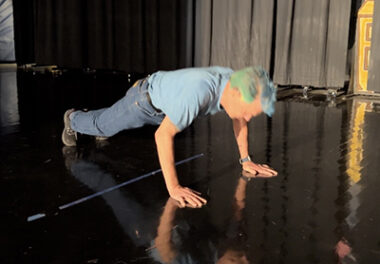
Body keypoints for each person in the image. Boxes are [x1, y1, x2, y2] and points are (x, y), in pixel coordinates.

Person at [61, 66, 278, 208]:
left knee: (109, 121)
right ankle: (73, 119)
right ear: (236, 94)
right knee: (104, 127)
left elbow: (240, 119)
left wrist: (246, 160)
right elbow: (162, 135)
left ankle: (96, 119)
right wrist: (174, 188)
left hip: (167, 104)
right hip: (143, 103)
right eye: (248, 110)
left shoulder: (234, 82)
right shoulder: (200, 92)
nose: (248, 117)